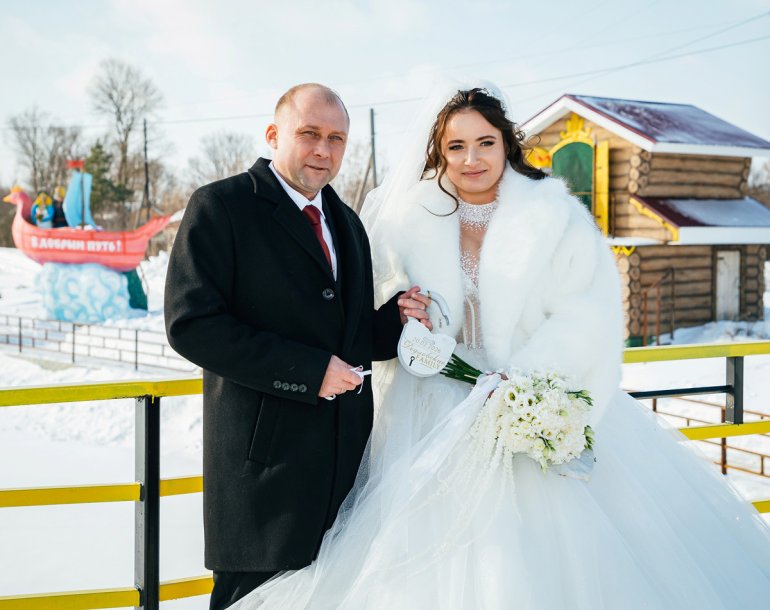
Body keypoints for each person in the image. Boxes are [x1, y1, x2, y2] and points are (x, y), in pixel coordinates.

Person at [229, 84, 770, 609]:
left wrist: (526, 384)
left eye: (485, 142)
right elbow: (367, 306)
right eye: (456, 146)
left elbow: (586, 313)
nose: (472, 159)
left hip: (533, 394)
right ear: (439, 153)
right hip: (429, 413)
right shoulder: (406, 219)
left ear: (506, 143)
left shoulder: (554, 215)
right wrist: (403, 313)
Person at [164, 83, 429, 610]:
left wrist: (395, 321)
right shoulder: (220, 206)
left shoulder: (348, 224)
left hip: (344, 474)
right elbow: (191, 324)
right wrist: (308, 371)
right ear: (273, 134)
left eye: (336, 138)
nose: (323, 150)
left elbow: (350, 337)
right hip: (264, 476)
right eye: (309, 134)